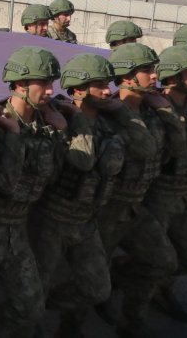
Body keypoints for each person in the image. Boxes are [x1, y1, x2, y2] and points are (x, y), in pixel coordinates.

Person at [0, 46, 77, 334]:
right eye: (43, 83)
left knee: (30, 305)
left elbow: (54, 176)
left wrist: (61, 133)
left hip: (18, 227)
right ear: (20, 84)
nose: (50, 91)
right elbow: (4, 184)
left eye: (52, 83)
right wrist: (13, 137)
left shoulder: (44, 123)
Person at [31, 53, 144, 336]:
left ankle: (44, 309)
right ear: (79, 89)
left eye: (108, 83)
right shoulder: (59, 121)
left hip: (87, 218)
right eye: (99, 85)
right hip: (52, 219)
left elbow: (146, 148)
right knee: (35, 288)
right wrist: (77, 120)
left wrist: (121, 112)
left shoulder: (110, 122)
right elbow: (83, 161)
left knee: (97, 288)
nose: (108, 90)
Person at [96, 43, 177, 336]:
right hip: (106, 208)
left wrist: (166, 112)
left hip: (135, 206)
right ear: (127, 76)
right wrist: (124, 114)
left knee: (163, 261)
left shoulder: (153, 111)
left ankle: (132, 321)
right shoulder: (106, 117)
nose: (154, 76)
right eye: (146, 70)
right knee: (91, 284)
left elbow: (176, 151)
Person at [146, 45, 187, 322]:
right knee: (157, 256)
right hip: (159, 193)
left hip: (185, 190)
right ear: (173, 77)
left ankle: (158, 287)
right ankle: (135, 305)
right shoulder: (156, 107)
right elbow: (179, 148)